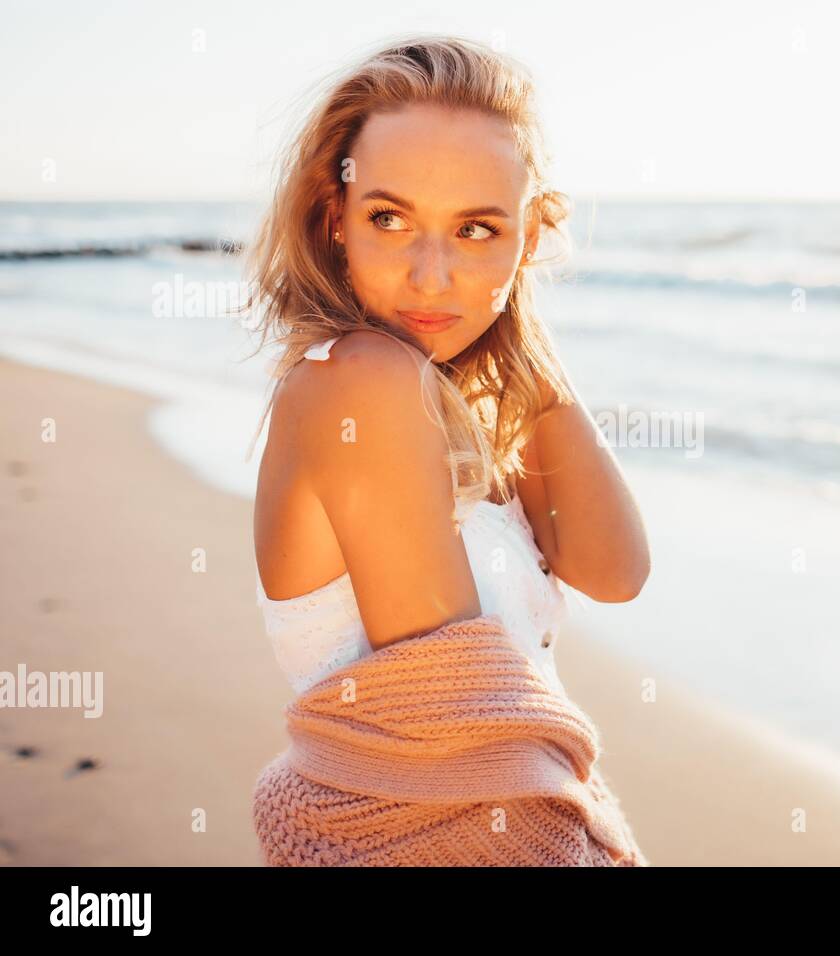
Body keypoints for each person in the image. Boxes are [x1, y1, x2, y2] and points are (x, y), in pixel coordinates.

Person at [242, 35, 651, 866]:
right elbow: (463, 737)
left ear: (527, 241)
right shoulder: (359, 380)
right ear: (336, 219)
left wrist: (515, 328)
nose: (432, 277)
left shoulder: (454, 403)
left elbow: (615, 571)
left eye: (475, 229)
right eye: (390, 218)